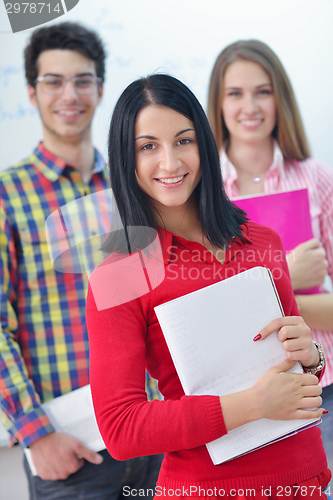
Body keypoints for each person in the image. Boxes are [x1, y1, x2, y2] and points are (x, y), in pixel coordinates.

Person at [86, 74, 331, 499]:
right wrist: (253, 405)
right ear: (126, 159)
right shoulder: (119, 275)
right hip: (207, 488)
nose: (170, 162)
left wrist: (311, 355)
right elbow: (121, 428)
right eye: (148, 147)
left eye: (184, 141)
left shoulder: (263, 241)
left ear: (204, 143)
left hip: (304, 477)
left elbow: (300, 376)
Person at [0, 22, 162, 500]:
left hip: (155, 434)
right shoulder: (7, 195)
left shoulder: (134, 184)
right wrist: (35, 434)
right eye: (53, 81)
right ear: (31, 91)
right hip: (73, 452)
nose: (69, 94)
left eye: (82, 80)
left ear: (100, 88)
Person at [207, 39, 333, 470]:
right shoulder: (201, 193)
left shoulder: (316, 178)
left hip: (322, 385)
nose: (250, 106)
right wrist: (288, 275)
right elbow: (209, 314)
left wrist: (264, 290)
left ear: (280, 97)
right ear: (217, 104)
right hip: (241, 399)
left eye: (262, 91)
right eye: (235, 93)